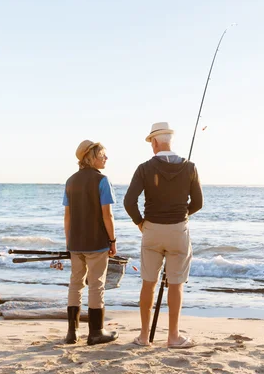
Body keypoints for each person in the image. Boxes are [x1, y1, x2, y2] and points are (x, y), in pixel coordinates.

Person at [124, 122, 203, 348]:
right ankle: (173, 337)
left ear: (156, 142)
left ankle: (143, 336)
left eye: (151, 143)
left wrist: (140, 222)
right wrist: (181, 214)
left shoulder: (144, 168)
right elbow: (198, 203)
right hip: (178, 230)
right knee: (176, 285)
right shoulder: (190, 167)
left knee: (148, 283)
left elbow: (129, 201)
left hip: (152, 230)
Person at [63, 140, 119, 345]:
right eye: (102, 154)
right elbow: (108, 216)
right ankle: (96, 332)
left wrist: (69, 242)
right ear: (91, 157)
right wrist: (112, 240)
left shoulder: (70, 181)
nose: (106, 158)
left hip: (75, 243)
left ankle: (72, 332)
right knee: (96, 285)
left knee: (75, 284)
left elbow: (67, 216)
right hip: (97, 243)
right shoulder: (102, 180)